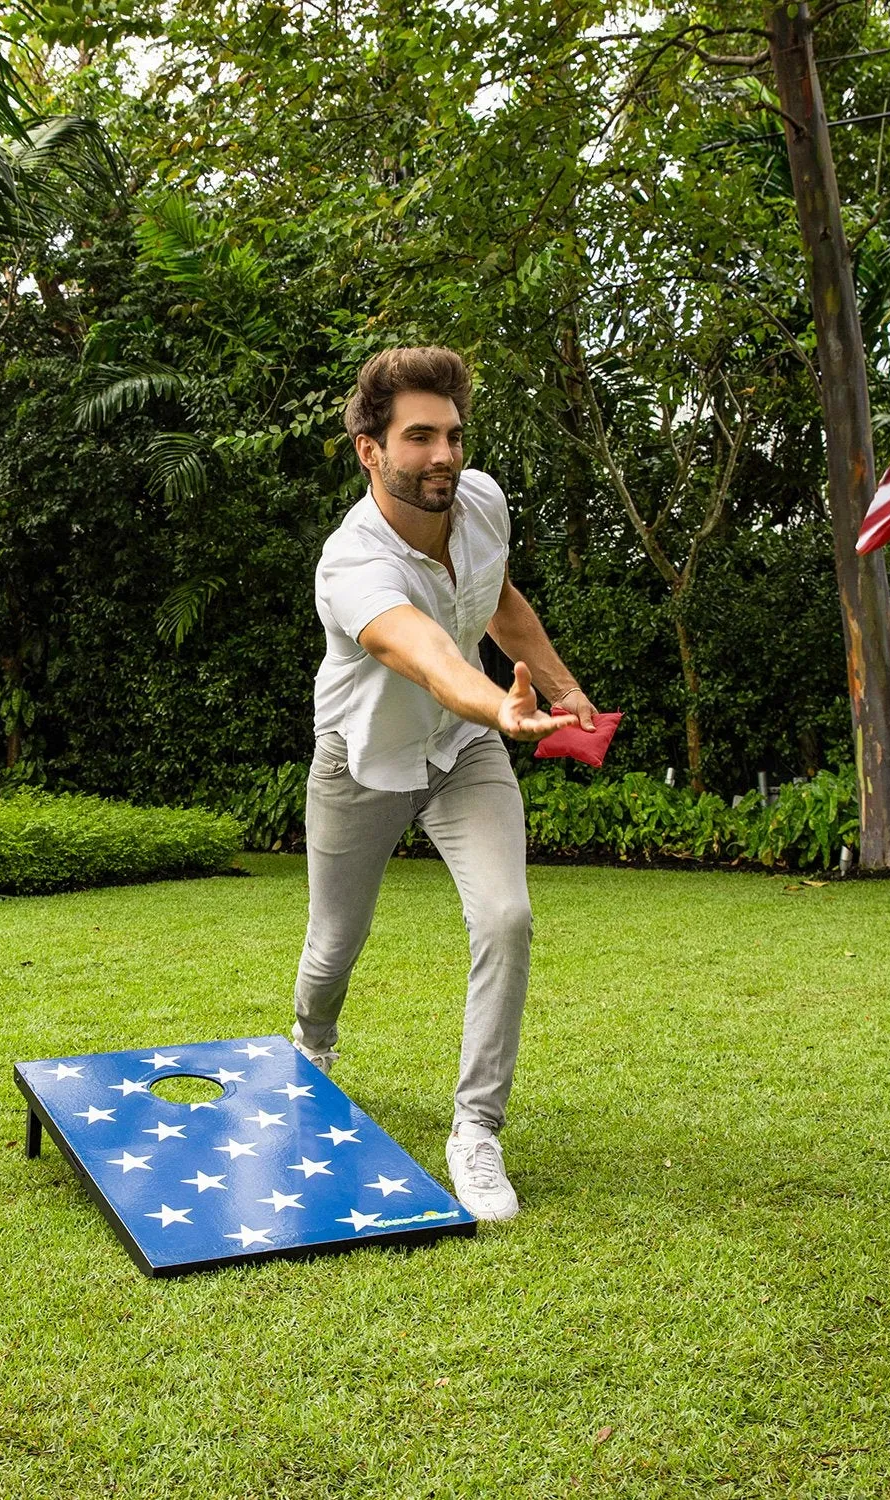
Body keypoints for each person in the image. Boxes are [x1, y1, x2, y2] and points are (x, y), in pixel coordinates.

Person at [292, 347, 598, 1221]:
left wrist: (561, 684)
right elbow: (423, 654)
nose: (442, 455)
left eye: (452, 435)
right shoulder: (351, 563)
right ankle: (311, 1050)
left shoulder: (482, 502)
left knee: (507, 916)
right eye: (418, 436)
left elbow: (497, 601)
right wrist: (498, 706)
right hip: (365, 762)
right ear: (369, 450)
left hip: (465, 750)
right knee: (330, 949)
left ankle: (476, 1131)